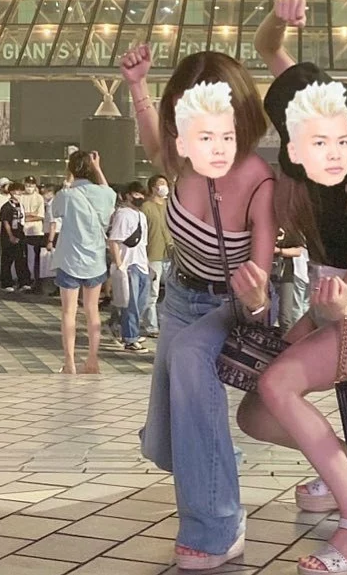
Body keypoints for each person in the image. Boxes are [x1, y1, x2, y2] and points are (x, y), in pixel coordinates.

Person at [236, 0, 347, 575]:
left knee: (279, 384)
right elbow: (266, 46)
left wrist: (341, 304)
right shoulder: (301, 102)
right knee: (254, 412)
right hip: (326, 299)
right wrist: (280, 19)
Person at [121, 45, 275, 571]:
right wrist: (136, 85)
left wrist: (256, 297)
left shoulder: (258, 179)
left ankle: (217, 525)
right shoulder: (183, 157)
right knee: (166, 443)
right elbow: (152, 144)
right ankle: (214, 478)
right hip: (180, 297)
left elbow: (260, 284)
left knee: (189, 356)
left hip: (228, 306)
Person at [51, 150, 115, 375]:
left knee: (68, 312)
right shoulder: (105, 193)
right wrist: (98, 169)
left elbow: (55, 211)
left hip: (69, 258)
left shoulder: (66, 195)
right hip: (95, 259)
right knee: (92, 311)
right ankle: (92, 360)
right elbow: (108, 192)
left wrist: (68, 180)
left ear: (70, 169)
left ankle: (69, 362)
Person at [109, 182, 151, 354]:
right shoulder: (123, 215)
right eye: (136, 194)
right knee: (131, 304)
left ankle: (118, 325)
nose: (140, 197)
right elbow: (113, 241)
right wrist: (119, 265)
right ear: (127, 195)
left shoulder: (141, 216)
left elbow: (143, 243)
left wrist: (147, 264)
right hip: (128, 264)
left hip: (141, 264)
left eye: (142, 194)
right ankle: (130, 338)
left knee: (141, 303)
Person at [142, 173, 172, 338]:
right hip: (152, 254)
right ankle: (151, 326)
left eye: (165, 183)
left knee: (171, 293)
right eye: (161, 183)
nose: (164, 187)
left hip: (171, 255)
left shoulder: (170, 206)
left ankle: (165, 323)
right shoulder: (146, 207)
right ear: (153, 187)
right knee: (152, 293)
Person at [0, 183, 31, 293]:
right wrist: (11, 236)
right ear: (11, 192)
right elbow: (5, 222)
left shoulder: (20, 205)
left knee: (21, 259)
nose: (19, 194)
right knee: (7, 260)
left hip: (20, 233)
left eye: (21, 191)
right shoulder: (6, 206)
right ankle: (6, 283)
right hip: (8, 235)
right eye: (17, 191)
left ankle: (24, 282)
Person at [19, 177, 46, 291]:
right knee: (23, 257)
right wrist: (31, 214)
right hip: (23, 231)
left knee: (36, 258)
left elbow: (40, 215)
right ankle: (26, 280)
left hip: (36, 232)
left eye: (32, 185)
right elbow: (20, 214)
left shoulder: (39, 198)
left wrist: (26, 216)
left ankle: (37, 281)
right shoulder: (21, 197)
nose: (29, 187)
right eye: (27, 184)